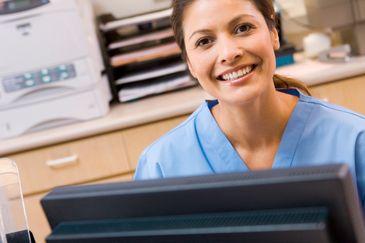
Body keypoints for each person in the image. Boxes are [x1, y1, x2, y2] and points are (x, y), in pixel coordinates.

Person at [134, 0, 365, 209]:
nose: (229, 53)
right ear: (190, 63)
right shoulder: (160, 167)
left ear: (273, 33)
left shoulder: (355, 141)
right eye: (204, 41)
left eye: (243, 28)